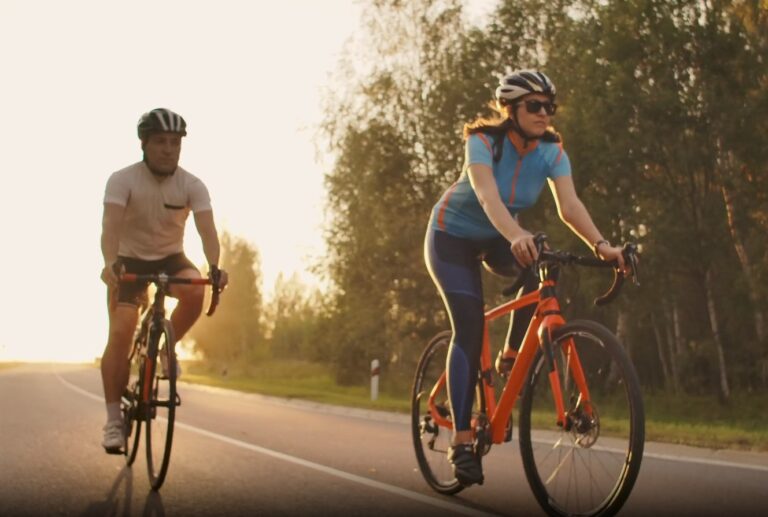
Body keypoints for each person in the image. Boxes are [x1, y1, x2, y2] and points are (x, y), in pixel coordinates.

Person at [424, 70, 627, 486]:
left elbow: (569, 206)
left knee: (542, 267)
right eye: (534, 105)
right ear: (510, 109)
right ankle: (461, 440)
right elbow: (486, 195)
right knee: (469, 325)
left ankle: (511, 357)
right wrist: (516, 233)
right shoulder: (482, 143)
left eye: (549, 107)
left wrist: (603, 246)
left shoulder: (552, 152)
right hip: (451, 238)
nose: (544, 113)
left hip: (501, 237)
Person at [99, 108, 228, 453]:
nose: (168, 149)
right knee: (121, 330)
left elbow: (207, 230)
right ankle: (113, 422)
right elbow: (110, 227)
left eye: (174, 143)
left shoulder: (192, 184)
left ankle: (165, 349)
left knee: (194, 290)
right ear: (144, 144)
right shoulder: (122, 180)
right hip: (128, 259)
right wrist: (110, 263)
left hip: (170, 258)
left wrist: (215, 266)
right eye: (160, 142)